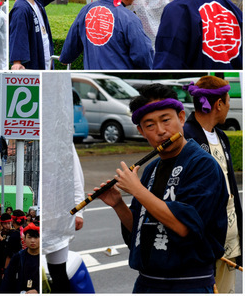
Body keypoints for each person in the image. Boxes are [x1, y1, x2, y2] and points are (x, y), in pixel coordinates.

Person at [95, 83, 228, 292]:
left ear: (181, 118)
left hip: (188, 284)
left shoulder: (202, 165)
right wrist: (118, 204)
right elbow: (142, 229)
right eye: (149, 125)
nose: (161, 131)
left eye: (166, 120)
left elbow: (185, 227)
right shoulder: (151, 169)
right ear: (141, 131)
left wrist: (137, 190)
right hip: (147, 283)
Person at [182, 77, 243, 294]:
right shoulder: (185, 136)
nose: (229, 106)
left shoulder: (222, 137)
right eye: (228, 101)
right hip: (202, 241)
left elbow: (232, 188)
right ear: (218, 104)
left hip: (229, 237)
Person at [59, 0, 153, 69]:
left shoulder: (86, 10)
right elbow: (143, 55)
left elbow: (71, 46)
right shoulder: (129, 18)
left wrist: (65, 58)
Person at [9, 0, 71, 70]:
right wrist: (17, 62)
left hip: (46, 59)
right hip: (36, 63)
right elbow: (18, 35)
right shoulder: (21, 9)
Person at [0, 223, 40, 293]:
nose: (33, 240)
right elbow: (7, 280)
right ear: (24, 238)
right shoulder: (18, 257)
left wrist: (37, 290)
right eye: (29, 237)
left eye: (36, 237)